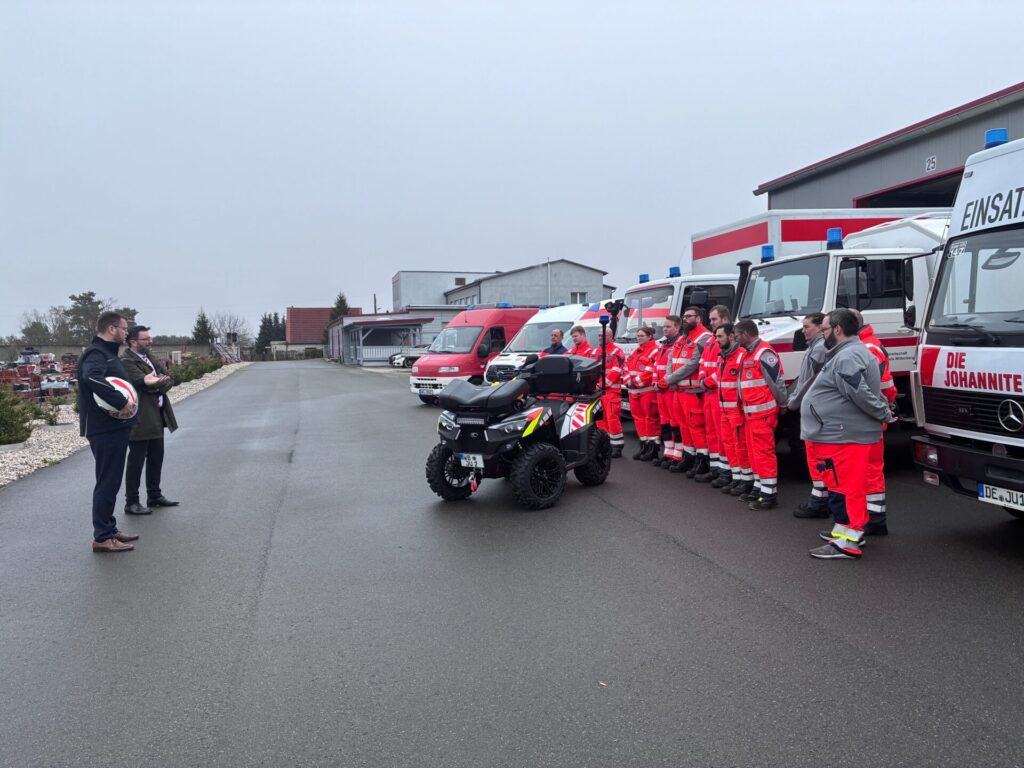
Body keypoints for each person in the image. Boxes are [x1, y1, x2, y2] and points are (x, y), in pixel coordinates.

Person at [803, 309, 892, 559]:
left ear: (838, 329)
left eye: (825, 329)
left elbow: (860, 393)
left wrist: (883, 413)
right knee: (841, 485)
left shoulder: (848, 356)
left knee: (848, 486)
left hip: (846, 435)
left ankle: (849, 541)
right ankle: (844, 531)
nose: (823, 334)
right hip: (842, 434)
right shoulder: (849, 353)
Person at [76, 311, 139, 553]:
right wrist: (120, 401)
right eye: (124, 329)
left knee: (112, 481)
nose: (127, 333)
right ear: (111, 329)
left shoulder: (107, 354)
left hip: (114, 427)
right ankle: (102, 537)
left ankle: (110, 529)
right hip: (104, 429)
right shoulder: (96, 353)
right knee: (107, 481)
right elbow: (91, 377)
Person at [121, 325, 179, 514]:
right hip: (141, 417)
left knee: (156, 457)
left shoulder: (150, 358)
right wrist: (154, 383)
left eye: (150, 338)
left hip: (157, 416)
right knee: (136, 461)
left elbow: (169, 377)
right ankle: (132, 501)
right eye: (146, 339)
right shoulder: (126, 361)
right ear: (133, 342)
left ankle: (154, 495)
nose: (150, 341)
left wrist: (157, 384)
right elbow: (140, 381)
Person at [851, 309, 896, 536]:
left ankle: (875, 519)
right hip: (872, 416)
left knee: (869, 471)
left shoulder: (867, 348)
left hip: (869, 418)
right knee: (870, 470)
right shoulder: (868, 345)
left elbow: (879, 388)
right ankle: (874, 517)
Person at [734, 319, 787, 510]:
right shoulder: (749, 353)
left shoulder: (763, 353)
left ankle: (769, 494)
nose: (735, 338)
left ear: (746, 334)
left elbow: (776, 382)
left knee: (763, 454)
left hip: (762, 414)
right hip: (752, 414)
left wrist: (783, 404)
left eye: (737, 335)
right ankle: (760, 488)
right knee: (755, 453)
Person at [787, 313, 829, 518]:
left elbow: (808, 380)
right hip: (812, 407)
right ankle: (819, 498)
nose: (803, 330)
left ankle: (820, 501)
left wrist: (793, 402)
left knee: (817, 456)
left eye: (807, 326)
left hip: (814, 408)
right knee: (814, 456)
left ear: (821, 327)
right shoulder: (815, 347)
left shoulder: (819, 348)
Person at [666, 307, 714, 478]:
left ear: (699, 318)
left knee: (697, 426)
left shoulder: (704, 337)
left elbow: (693, 364)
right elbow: (671, 358)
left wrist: (670, 379)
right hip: (680, 390)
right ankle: (689, 457)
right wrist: (670, 377)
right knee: (684, 426)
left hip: (693, 391)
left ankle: (702, 460)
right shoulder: (684, 337)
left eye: (689, 316)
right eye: (684, 316)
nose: (685, 319)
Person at [716, 323, 754, 497]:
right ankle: (737, 477)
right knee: (729, 446)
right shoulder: (722, 357)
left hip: (737, 411)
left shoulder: (741, 356)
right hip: (725, 410)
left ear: (731, 337)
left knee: (740, 447)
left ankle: (746, 481)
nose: (717, 340)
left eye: (720, 337)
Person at [699, 305, 732, 486]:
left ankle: (726, 472)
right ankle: (715, 469)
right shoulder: (711, 341)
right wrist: (703, 378)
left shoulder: (727, 339)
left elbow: (724, 368)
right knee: (711, 432)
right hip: (709, 394)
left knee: (722, 435)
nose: (710, 323)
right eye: (710, 320)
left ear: (725, 319)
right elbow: (703, 362)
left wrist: (707, 381)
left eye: (714, 320)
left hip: (720, 394)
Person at [624, 326, 660, 460]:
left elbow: (650, 371)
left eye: (642, 335)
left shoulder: (655, 351)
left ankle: (653, 448)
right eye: (638, 335)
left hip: (647, 392)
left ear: (650, 336)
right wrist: (628, 381)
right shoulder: (635, 352)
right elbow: (626, 368)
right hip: (634, 392)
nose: (639, 338)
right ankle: (644, 446)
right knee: (638, 420)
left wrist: (636, 382)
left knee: (650, 420)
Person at [652, 316, 683, 468]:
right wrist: (654, 382)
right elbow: (656, 366)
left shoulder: (678, 344)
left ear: (677, 328)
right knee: (664, 422)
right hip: (661, 389)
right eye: (664, 326)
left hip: (670, 388)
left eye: (668, 326)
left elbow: (674, 370)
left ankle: (678, 455)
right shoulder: (662, 345)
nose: (665, 329)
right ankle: (668, 452)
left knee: (675, 422)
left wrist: (663, 383)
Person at [592, 325, 626, 457]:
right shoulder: (595, 352)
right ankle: (603, 444)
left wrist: (601, 385)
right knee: (600, 419)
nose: (600, 338)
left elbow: (616, 372)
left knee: (612, 418)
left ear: (610, 337)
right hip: (598, 392)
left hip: (611, 392)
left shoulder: (617, 351)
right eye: (599, 335)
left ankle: (617, 446)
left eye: (603, 336)